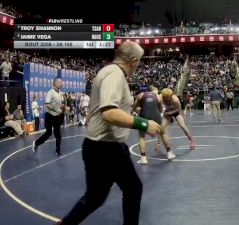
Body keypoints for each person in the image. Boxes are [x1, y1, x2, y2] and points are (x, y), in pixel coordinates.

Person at [56, 42, 161, 225]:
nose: (139, 66)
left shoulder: (111, 73)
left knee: (97, 197)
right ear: (133, 61)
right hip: (105, 148)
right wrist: (144, 124)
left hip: (105, 145)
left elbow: (95, 113)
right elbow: (109, 112)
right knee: (131, 189)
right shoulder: (114, 75)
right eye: (139, 62)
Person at [133, 86, 174, 164]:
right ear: (153, 90)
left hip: (144, 115)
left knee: (142, 136)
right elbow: (161, 109)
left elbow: (135, 107)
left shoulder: (141, 95)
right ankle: (169, 153)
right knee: (163, 133)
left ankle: (143, 158)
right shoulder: (158, 97)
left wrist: (136, 110)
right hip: (156, 115)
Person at [32, 78, 65, 156]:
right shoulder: (51, 92)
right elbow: (47, 104)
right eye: (60, 82)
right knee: (48, 133)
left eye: (61, 82)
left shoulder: (61, 93)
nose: (61, 83)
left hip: (56, 117)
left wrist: (63, 107)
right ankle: (36, 143)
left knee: (58, 135)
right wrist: (56, 109)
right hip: (49, 116)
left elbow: (59, 105)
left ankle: (58, 151)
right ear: (55, 83)